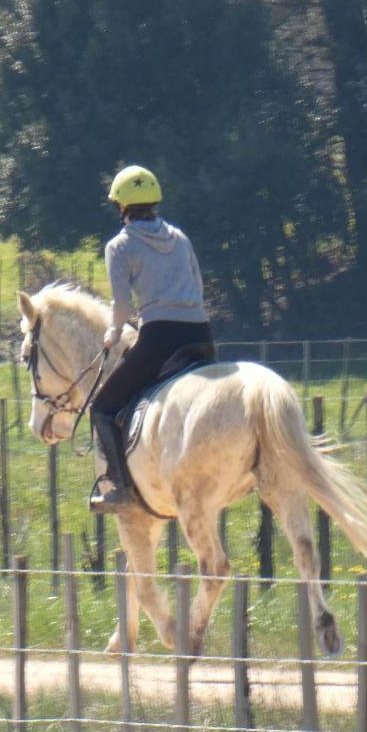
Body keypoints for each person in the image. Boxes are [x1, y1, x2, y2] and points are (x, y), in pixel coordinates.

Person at [89, 165, 214, 514]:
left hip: (160, 338)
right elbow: (198, 286)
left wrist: (114, 333)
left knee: (103, 407)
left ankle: (120, 486)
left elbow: (123, 303)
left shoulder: (120, 245)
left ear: (120, 206)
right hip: (201, 334)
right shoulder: (180, 237)